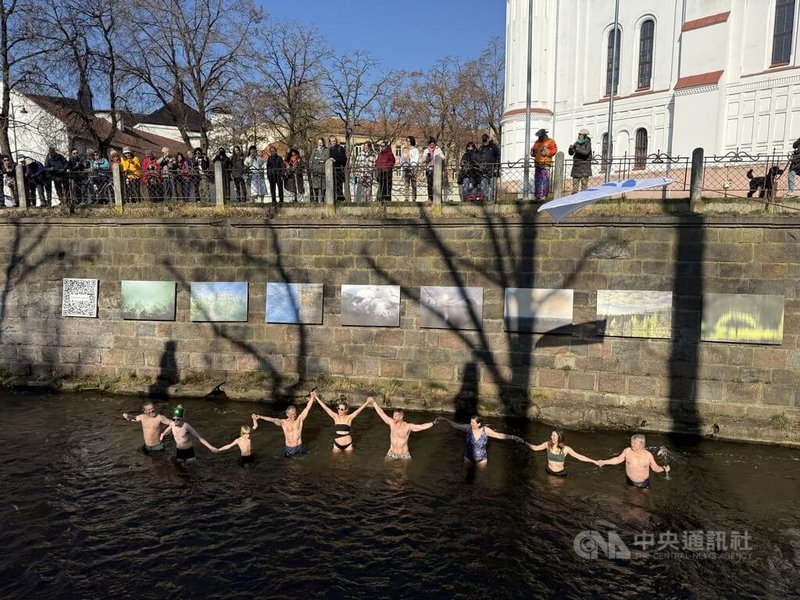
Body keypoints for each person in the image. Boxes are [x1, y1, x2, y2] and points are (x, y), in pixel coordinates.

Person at [437, 415, 524, 465]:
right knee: (465, 478)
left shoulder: (485, 430)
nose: (470, 424)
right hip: (468, 458)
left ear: (479, 424)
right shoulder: (468, 428)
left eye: (473, 423)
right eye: (470, 422)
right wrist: (445, 420)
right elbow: (455, 425)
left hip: (482, 460)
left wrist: (513, 437)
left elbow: (499, 435)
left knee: (481, 479)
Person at [597, 433, 671, 488]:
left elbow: (655, 467)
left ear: (641, 444)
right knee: (630, 500)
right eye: (631, 442)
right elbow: (618, 459)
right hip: (630, 481)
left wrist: (663, 469)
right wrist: (604, 462)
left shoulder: (648, 455)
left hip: (644, 483)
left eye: (635, 443)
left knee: (645, 500)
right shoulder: (627, 451)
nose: (632, 444)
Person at [372, 399, 436, 460]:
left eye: (396, 416)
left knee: (403, 471)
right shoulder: (391, 423)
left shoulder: (408, 426)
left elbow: (421, 427)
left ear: (401, 417)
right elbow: (381, 413)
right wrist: (374, 402)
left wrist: (433, 423)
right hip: (391, 452)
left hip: (404, 455)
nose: (393, 417)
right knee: (385, 466)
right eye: (393, 416)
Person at [524, 430, 600, 477]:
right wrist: (524, 442)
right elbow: (535, 448)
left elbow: (579, 457)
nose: (552, 437)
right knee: (550, 489)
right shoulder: (547, 444)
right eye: (551, 435)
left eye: (554, 436)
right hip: (549, 471)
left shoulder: (566, 449)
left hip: (560, 473)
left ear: (559, 437)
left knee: (558, 491)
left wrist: (594, 461)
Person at [530, 128, 557, 201]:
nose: (539, 138)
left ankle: (544, 195)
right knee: (537, 180)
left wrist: (547, 152)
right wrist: (532, 152)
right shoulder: (537, 142)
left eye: (540, 136)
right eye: (539, 136)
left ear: (544, 135)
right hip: (538, 163)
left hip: (545, 164)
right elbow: (533, 150)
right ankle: (537, 196)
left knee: (545, 180)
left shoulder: (550, 141)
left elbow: (554, 151)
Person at [474, 133, 501, 201]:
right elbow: (479, 158)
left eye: (486, 140)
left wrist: (497, 167)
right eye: (483, 141)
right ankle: (485, 199)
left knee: (493, 187)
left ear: (488, 139)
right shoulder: (481, 148)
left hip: (493, 169)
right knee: (483, 186)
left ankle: (493, 200)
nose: (485, 142)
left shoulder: (493, 147)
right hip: (484, 170)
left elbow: (498, 157)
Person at [568, 128, 593, 193]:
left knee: (584, 184)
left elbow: (586, 152)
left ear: (585, 135)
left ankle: (583, 199)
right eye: (579, 134)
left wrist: (577, 149)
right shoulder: (577, 142)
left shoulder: (588, 143)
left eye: (581, 135)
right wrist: (570, 149)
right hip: (576, 166)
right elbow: (571, 153)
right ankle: (574, 198)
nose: (579, 136)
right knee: (575, 184)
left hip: (585, 166)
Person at [422, 137, 445, 201]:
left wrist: (438, 156)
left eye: (433, 143)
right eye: (431, 143)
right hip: (429, 169)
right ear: (429, 144)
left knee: (437, 184)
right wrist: (426, 158)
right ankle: (430, 198)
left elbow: (443, 157)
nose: (432, 144)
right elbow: (422, 160)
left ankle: (438, 198)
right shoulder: (426, 150)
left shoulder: (438, 149)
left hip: (436, 169)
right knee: (429, 184)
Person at [310, 137, 329, 202]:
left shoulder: (327, 150)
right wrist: (320, 160)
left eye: (321, 142)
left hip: (323, 170)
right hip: (316, 170)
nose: (320, 144)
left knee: (323, 185)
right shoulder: (314, 150)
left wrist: (317, 159)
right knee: (316, 185)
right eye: (319, 143)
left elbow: (326, 158)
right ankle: (316, 199)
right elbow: (312, 159)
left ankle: (323, 199)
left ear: (323, 143)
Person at [328, 136, 347, 201]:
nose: (333, 142)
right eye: (332, 141)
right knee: (332, 187)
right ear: (330, 142)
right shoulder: (329, 150)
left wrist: (335, 160)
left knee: (339, 187)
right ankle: (333, 200)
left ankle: (340, 200)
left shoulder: (340, 148)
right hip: (331, 171)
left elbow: (344, 159)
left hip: (338, 171)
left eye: (334, 141)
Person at [403, 135, 419, 201]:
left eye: (409, 141)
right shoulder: (405, 149)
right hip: (406, 168)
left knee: (413, 183)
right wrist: (404, 165)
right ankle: (406, 198)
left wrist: (412, 165)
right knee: (406, 184)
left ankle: (414, 198)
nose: (408, 142)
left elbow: (416, 159)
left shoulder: (415, 150)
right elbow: (402, 158)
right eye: (407, 141)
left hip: (413, 168)